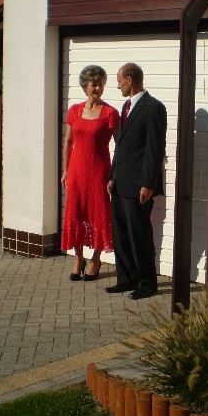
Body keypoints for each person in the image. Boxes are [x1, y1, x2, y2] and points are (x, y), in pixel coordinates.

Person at [106, 63, 167, 300]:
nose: (118, 85)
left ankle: (147, 283)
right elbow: (121, 146)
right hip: (120, 183)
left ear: (130, 80)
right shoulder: (126, 106)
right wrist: (112, 176)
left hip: (138, 185)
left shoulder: (154, 108)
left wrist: (148, 184)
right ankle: (127, 278)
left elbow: (154, 148)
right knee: (121, 234)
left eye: (119, 81)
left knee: (139, 235)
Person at [61, 65, 119, 281]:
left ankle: (96, 258)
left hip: (99, 172)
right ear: (85, 86)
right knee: (75, 212)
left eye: (101, 84)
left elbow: (120, 145)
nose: (98, 88)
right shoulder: (74, 110)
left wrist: (114, 175)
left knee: (98, 214)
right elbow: (68, 142)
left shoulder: (110, 113)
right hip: (77, 171)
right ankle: (78, 257)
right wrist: (65, 170)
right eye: (94, 84)